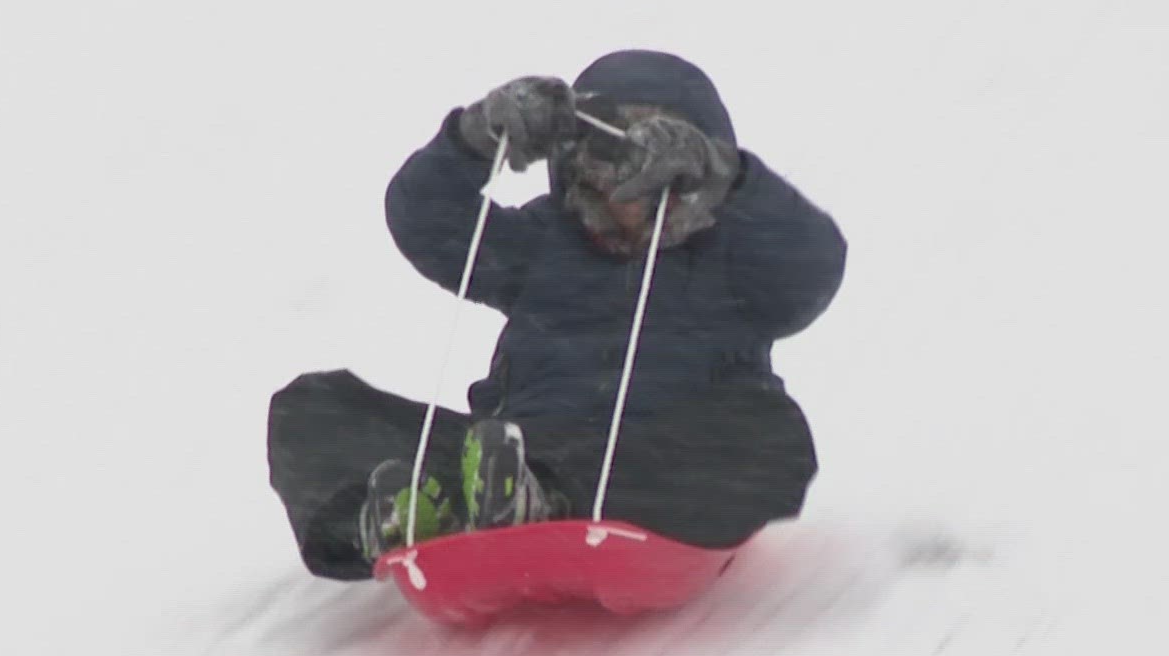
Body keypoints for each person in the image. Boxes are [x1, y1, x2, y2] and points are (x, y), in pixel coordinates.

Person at [266, 50, 847, 581]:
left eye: (645, 155)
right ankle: (415, 511)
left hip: (669, 462)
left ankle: (540, 503)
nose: (622, 181)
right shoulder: (543, 240)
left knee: (770, 436)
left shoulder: (731, 256)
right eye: (606, 150)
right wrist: (474, 138)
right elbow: (425, 219)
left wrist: (732, 178)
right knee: (314, 407)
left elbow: (812, 269)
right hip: (518, 453)